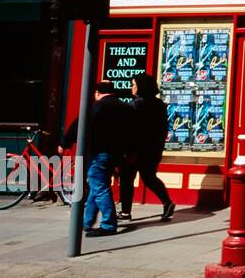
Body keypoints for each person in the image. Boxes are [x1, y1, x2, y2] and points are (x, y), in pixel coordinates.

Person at [62, 81, 131, 237]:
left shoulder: (97, 107)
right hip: (116, 154)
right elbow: (132, 132)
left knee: (99, 187)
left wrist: (65, 142)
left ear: (98, 92)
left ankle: (108, 224)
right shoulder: (125, 107)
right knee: (96, 186)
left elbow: (78, 125)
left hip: (99, 152)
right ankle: (87, 221)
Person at [120, 74, 175, 222]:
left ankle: (125, 211)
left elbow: (130, 130)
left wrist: (128, 149)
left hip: (135, 150)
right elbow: (163, 129)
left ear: (141, 86)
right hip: (153, 149)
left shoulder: (135, 105)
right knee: (149, 177)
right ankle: (167, 201)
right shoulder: (160, 105)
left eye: (133, 84)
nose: (132, 87)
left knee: (127, 179)